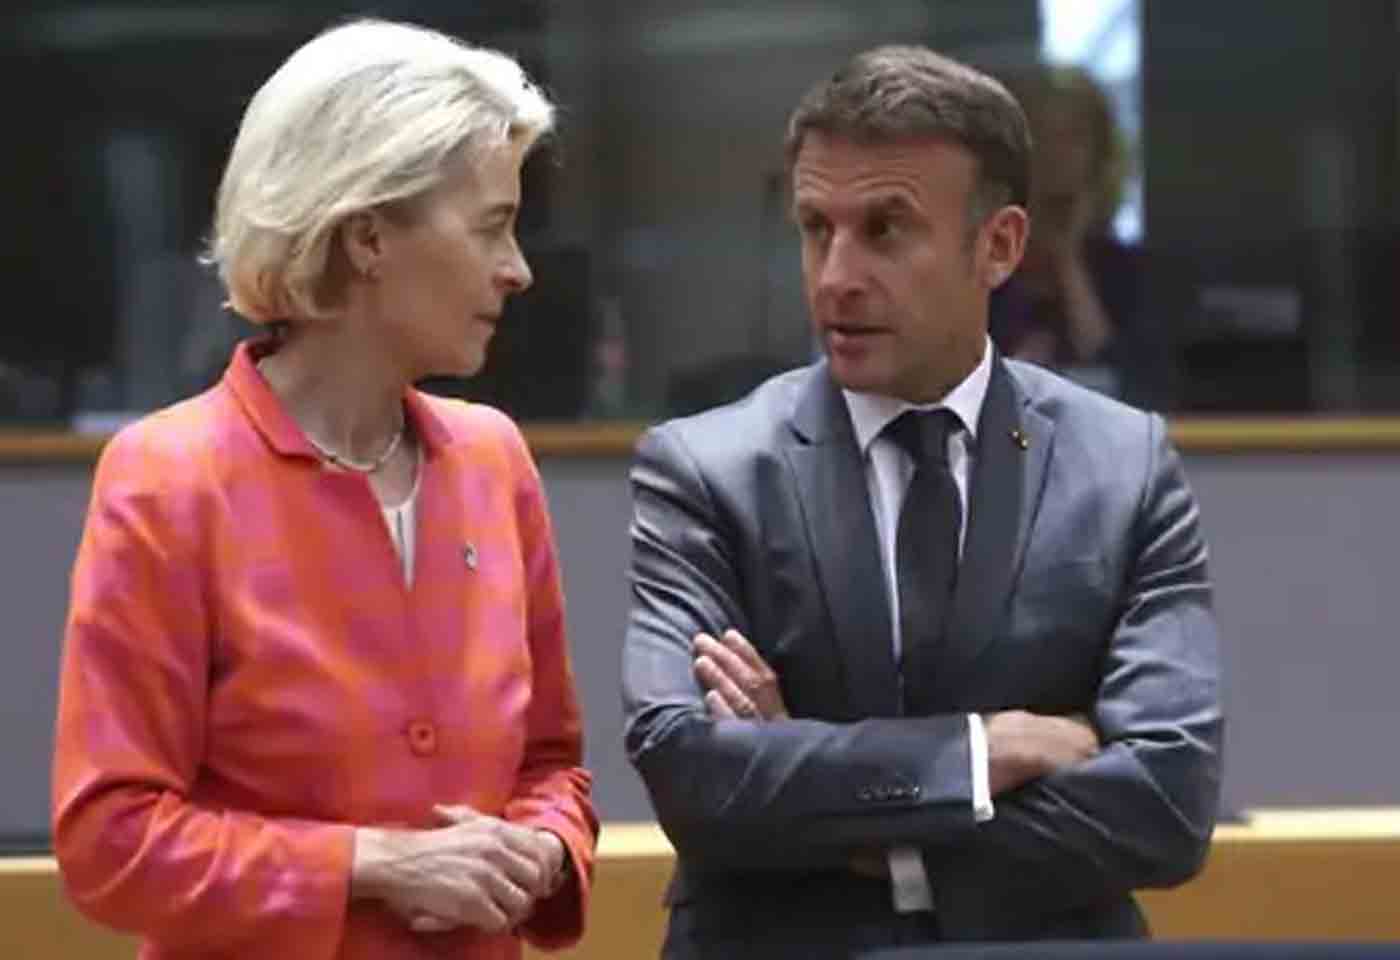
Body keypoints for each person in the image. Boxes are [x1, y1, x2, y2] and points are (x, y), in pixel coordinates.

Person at [621, 45, 1221, 957]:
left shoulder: (1122, 465)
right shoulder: (706, 469)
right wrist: (982, 754)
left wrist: (845, 813)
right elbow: (694, 775)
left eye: (885, 230)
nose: (835, 276)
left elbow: (1167, 805)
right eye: (815, 228)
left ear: (1000, 246)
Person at [51, 19, 597, 960]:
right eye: (492, 226)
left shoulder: (494, 459)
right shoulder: (169, 479)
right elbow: (111, 840)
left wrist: (543, 848)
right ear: (368, 236)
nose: (519, 269)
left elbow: (552, 770)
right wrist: (371, 865)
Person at [989, 63, 1165, 406]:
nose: (1058, 156)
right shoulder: (975, 271)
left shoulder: (1129, 273)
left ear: (1098, 157)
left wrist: (1069, 263)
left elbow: (1132, 387)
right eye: (1042, 136)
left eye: (1073, 139)